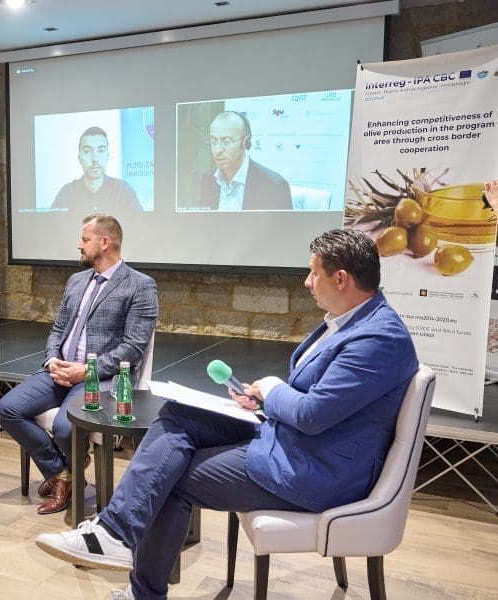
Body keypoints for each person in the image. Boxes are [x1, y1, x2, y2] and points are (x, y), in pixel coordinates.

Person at [35, 228, 419, 600]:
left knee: (170, 477)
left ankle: (134, 573)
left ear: (341, 279)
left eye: (313, 273)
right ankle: (115, 536)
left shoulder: (379, 338)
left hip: (315, 470)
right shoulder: (353, 321)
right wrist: (263, 401)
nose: (306, 282)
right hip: (292, 439)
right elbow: (320, 401)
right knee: (178, 415)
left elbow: (313, 413)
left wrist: (273, 389)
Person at [0, 214, 158, 514]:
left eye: (85, 239)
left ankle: (63, 478)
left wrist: (86, 371)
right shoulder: (77, 280)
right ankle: (63, 474)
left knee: (64, 427)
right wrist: (52, 360)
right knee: (6, 409)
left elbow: (132, 348)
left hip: (100, 378)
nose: (79, 245)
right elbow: (58, 329)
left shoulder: (140, 285)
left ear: (104, 242)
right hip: (59, 371)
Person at [199, 111, 292, 211]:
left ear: (245, 141)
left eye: (226, 141)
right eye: (213, 142)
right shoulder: (208, 179)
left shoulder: (274, 185)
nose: (217, 150)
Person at [51, 127, 143, 214]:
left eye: (101, 151)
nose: (95, 158)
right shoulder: (66, 194)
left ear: (107, 156)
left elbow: (140, 222)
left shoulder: (123, 190)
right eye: (87, 151)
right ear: (79, 158)